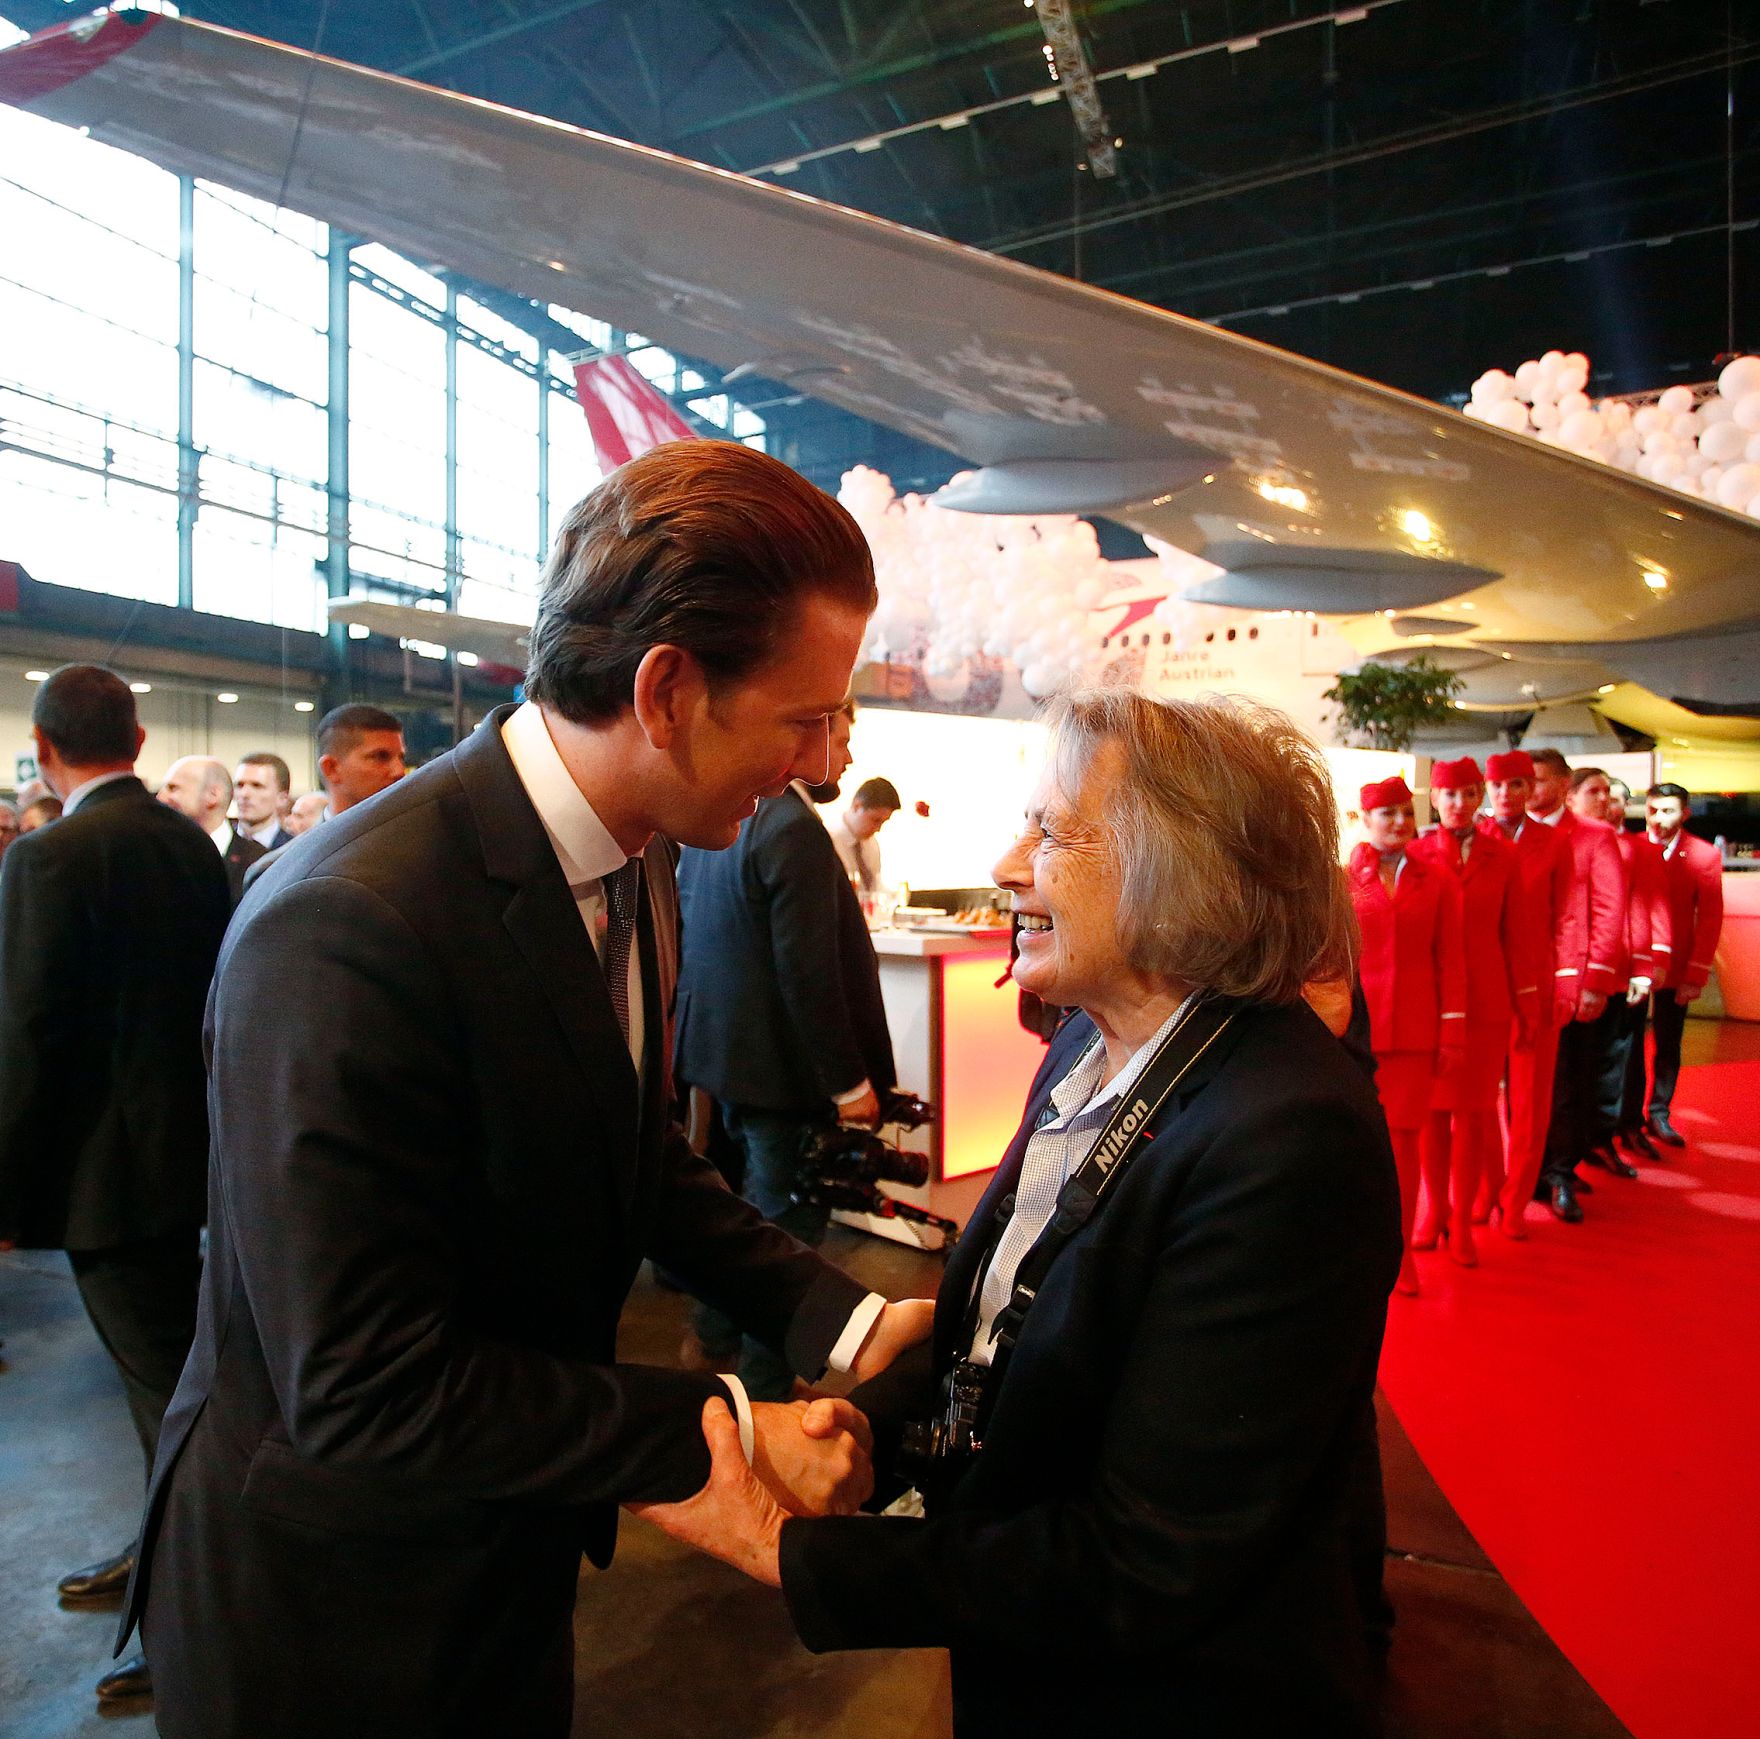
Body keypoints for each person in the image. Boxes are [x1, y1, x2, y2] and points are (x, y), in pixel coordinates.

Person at [123, 441, 934, 1739]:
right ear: (666, 691)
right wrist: (725, 1427)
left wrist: (835, 1314)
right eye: (804, 717)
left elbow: (624, 1142)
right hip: (334, 1601)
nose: (822, 760)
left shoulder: (638, 849)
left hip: (501, 1539)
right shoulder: (353, 920)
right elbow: (363, 1380)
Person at [636, 689, 1401, 1737]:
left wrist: (790, 1550)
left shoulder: (1285, 1135)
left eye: (1049, 832)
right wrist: (873, 1430)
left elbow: (1153, 1556)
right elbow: (1014, 1328)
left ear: (1180, 870)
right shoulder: (1091, 1044)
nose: (1005, 865)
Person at [0, 665, 232, 1708]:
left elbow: (28, 1035)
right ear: (137, 741)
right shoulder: (187, 841)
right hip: (191, 1160)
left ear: (44, 748)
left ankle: (184, 1628)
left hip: (105, 1177)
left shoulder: (47, 853)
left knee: (168, 1405)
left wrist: (5, 1191)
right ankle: (156, 1559)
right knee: (172, 1390)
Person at [675, 701, 897, 1400]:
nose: (849, 756)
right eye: (843, 738)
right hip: (781, 1073)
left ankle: (712, 1342)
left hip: (729, 1060)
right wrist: (848, 1084)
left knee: (748, 1217)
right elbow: (809, 974)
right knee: (786, 1234)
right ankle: (764, 1394)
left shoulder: (737, 819)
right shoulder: (791, 828)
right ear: (806, 736)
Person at [1408, 758, 1538, 1267]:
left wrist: (1528, 1007)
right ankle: (1434, 1211)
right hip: (1432, 1003)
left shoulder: (1503, 856)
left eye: (1467, 793)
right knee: (1431, 1116)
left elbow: (1519, 938)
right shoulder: (1416, 855)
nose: (1459, 803)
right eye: (1449, 794)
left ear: (1479, 796)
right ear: (1435, 799)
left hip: (1487, 1002)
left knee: (1474, 1114)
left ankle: (1462, 1220)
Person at [1349, 775, 1466, 1295]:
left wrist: (1452, 1032)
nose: (1399, 822)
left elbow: (1453, 960)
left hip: (1416, 1033)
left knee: (1404, 1148)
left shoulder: (1437, 880)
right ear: (1365, 819)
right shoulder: (1342, 880)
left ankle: (1401, 1255)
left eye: (1406, 813)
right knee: (1351, 1144)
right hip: (1355, 1032)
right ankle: (1353, 1249)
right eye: (1388, 813)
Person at [1526, 751, 1625, 1219]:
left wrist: (1596, 979)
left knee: (1568, 1080)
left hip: (1572, 976)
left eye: (1538, 780)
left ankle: (1559, 1171)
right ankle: (1526, 1170)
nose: (1528, 789)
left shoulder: (1594, 836)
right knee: (1523, 1082)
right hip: (1520, 980)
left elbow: (1609, 908)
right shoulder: (1503, 833)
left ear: (1564, 784)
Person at [1479, 751, 1573, 1234]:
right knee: (1475, 1100)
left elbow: (1567, 916)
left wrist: (1567, 980)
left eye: (1517, 784)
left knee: (1531, 1099)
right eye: (1497, 784)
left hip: (1535, 984)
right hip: (1480, 986)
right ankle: (1485, 1189)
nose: (1506, 793)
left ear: (1530, 789)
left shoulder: (1554, 843)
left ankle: (1515, 1201)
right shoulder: (1471, 841)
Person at [1636, 782, 1725, 1147]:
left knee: (1668, 1042)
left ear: (1685, 814)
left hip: (1678, 964)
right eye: (1653, 810)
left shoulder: (1703, 855)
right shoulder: (1631, 847)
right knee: (1626, 1046)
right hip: (1633, 963)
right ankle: (1624, 1117)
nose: (1658, 818)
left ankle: (1659, 1112)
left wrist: (1696, 973)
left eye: (1668, 811)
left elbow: (1710, 917)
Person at [244, 708, 405, 892]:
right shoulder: (277, 872)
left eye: (401, 758)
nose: (399, 771)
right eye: (380, 757)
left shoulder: (421, 854)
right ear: (331, 768)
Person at [1600, 778, 1672, 1161]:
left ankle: (1628, 1125)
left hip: (1628, 968)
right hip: (1588, 971)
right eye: (1599, 797)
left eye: (1613, 799)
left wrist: (1652, 963)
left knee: (1628, 1055)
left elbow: (1656, 909)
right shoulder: (1574, 842)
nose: (1606, 805)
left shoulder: (1640, 850)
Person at [156, 756, 265, 904]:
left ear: (213, 795)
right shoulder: (154, 855)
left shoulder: (259, 863)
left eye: (172, 788)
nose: (161, 797)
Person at [829, 774, 900, 893]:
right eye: (875, 820)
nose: (878, 829)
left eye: (883, 822)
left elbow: (874, 890)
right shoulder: (829, 841)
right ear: (856, 806)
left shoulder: (872, 844)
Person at [233, 752, 294, 849]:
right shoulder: (216, 845)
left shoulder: (295, 850)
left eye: (257, 786)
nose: (244, 794)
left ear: (282, 798)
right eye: (239, 785)